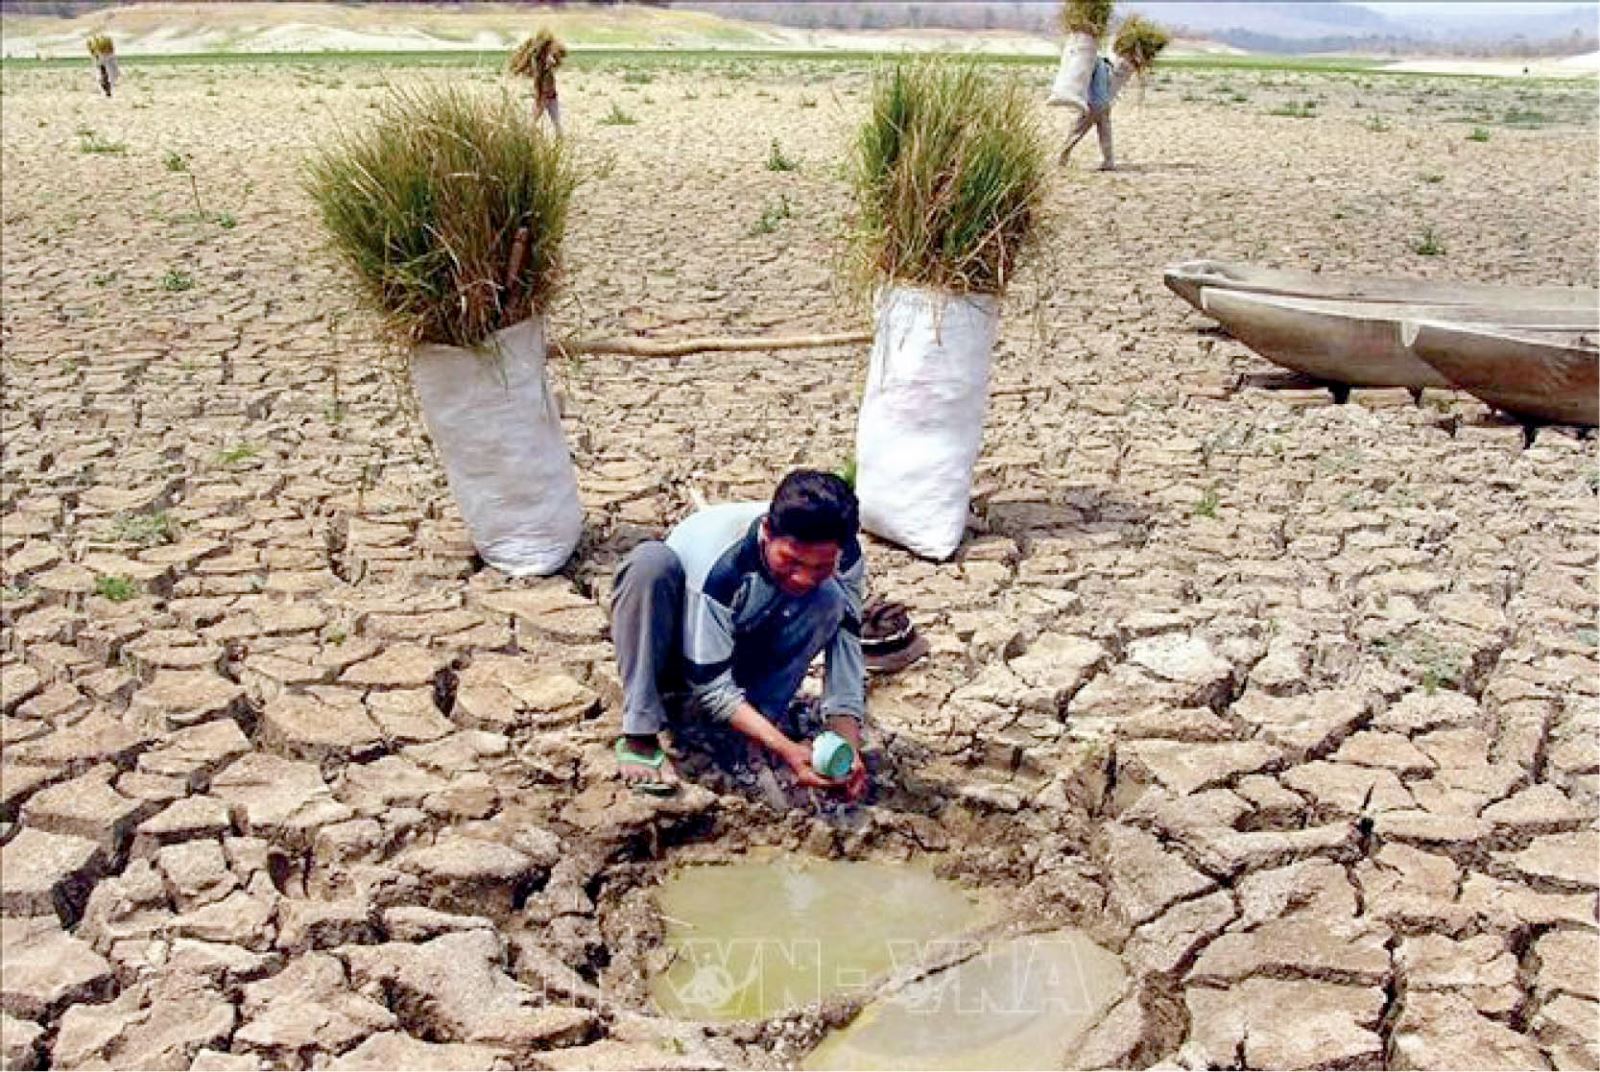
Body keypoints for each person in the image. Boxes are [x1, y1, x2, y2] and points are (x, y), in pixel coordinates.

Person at [610, 470, 868, 802]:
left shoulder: (845, 556)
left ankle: (755, 728)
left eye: (820, 567)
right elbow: (711, 686)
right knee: (649, 563)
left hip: (740, 636)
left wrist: (847, 745)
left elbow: (846, 652)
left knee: (831, 599)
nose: (803, 577)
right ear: (766, 533)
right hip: (675, 646)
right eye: (790, 561)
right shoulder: (723, 562)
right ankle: (640, 733)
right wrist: (788, 748)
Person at [1060, 53, 1119, 170]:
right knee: (1105, 134)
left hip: (1093, 103)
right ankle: (1109, 161)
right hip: (1105, 104)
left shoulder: (1091, 62)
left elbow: (1081, 78)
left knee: (1077, 130)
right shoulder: (1106, 65)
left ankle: (1063, 156)